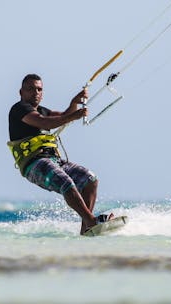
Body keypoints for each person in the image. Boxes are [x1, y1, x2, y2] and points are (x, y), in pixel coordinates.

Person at [7, 74, 111, 235]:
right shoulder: (19, 109)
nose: (35, 93)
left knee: (90, 179)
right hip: (34, 164)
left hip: (54, 160)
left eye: (39, 89)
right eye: (30, 89)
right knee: (66, 183)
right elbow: (45, 123)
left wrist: (74, 103)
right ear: (21, 92)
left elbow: (63, 117)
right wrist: (74, 115)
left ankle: (86, 228)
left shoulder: (42, 110)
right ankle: (91, 221)